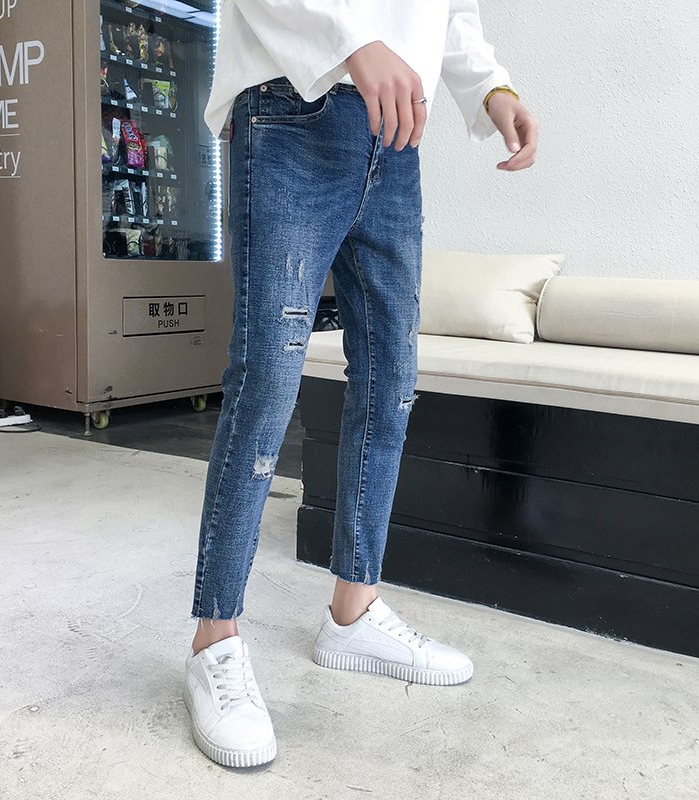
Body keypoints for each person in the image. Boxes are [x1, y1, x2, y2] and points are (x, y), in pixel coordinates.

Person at [183, 0, 539, 769]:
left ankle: (353, 610)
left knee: (391, 379)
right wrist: (353, 41)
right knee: (268, 376)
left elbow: (450, 10)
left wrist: (491, 88)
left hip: (395, 136)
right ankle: (215, 638)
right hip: (292, 105)